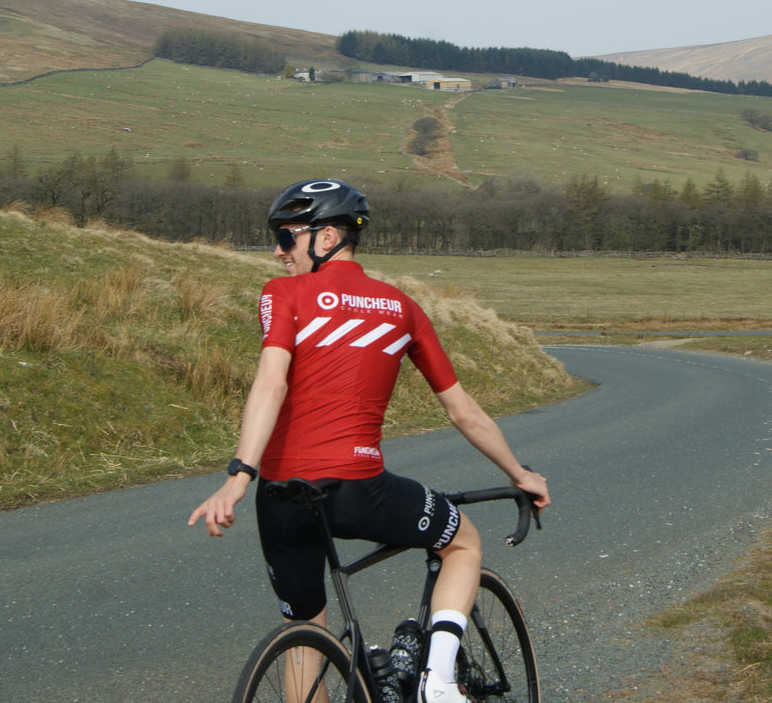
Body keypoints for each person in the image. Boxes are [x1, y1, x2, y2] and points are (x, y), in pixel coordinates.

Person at [189, 178, 550, 703]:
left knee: (303, 638)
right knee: (464, 541)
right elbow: (462, 410)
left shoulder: (282, 294)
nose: (277, 251)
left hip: (282, 495)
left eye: (286, 237)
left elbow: (271, 381)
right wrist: (519, 475)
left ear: (328, 236)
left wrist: (240, 476)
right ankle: (440, 683)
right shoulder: (401, 307)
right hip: (358, 489)